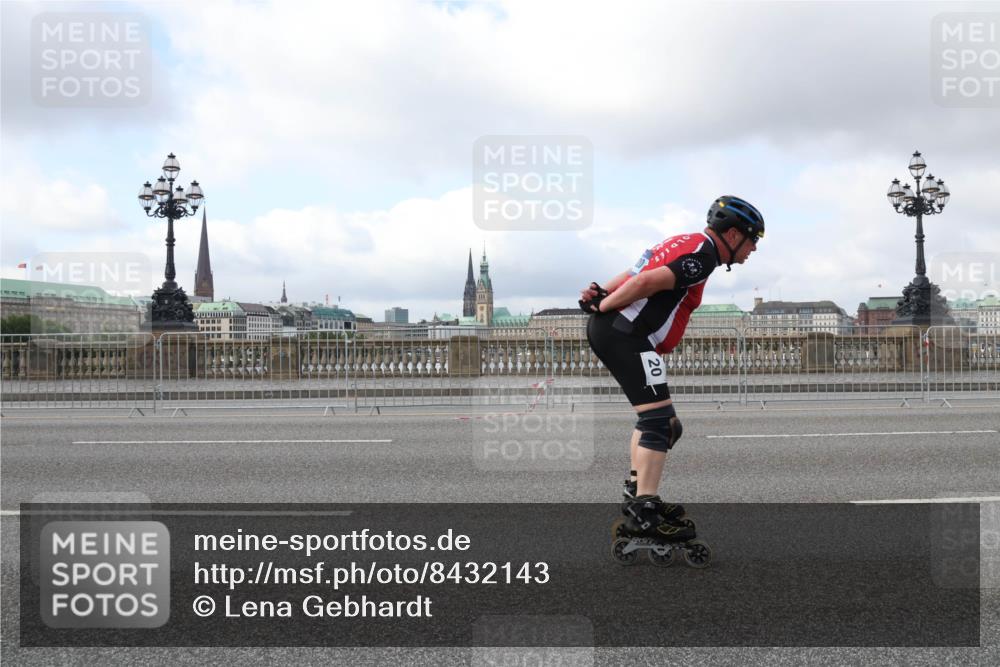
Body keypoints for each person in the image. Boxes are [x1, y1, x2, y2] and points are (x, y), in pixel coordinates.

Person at [579, 195, 764, 545]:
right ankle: (644, 513)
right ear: (735, 234)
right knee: (659, 423)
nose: (754, 248)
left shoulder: (685, 241)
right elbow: (644, 284)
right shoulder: (704, 254)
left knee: (664, 423)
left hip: (622, 332)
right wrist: (602, 303)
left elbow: (632, 274)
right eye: (754, 239)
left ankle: (639, 495)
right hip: (625, 333)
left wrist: (601, 292)